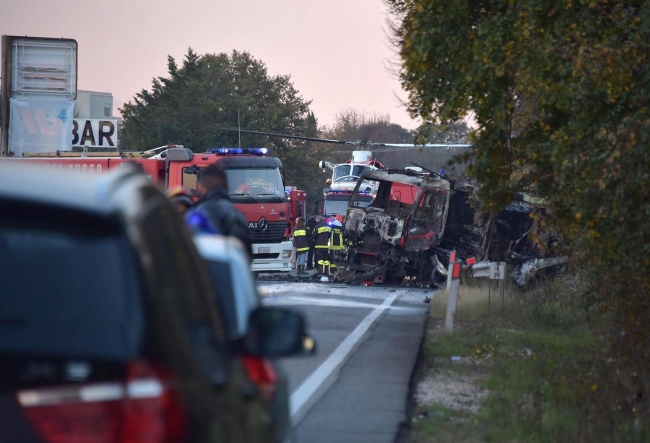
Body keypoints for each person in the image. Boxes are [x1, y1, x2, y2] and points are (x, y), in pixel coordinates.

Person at [186, 164, 252, 258]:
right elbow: (247, 257)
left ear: (200, 187)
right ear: (227, 188)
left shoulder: (199, 215)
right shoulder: (238, 215)